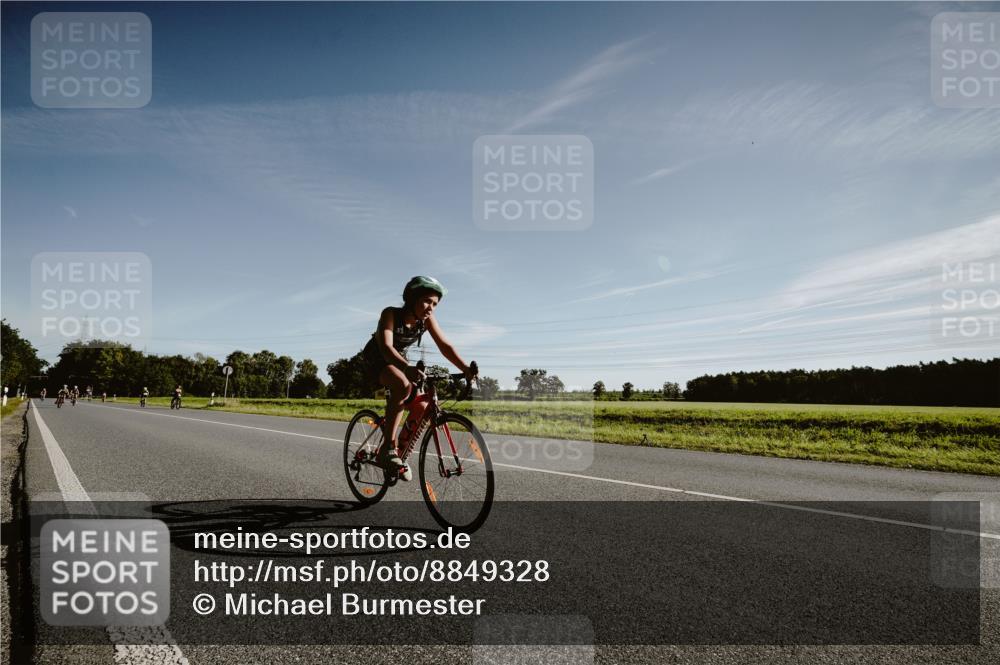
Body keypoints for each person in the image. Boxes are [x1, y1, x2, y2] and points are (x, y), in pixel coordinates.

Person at [358, 276, 476, 480]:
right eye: (426, 301)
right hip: (376, 361)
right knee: (402, 385)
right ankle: (388, 449)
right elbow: (386, 348)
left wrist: (465, 368)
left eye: (435, 304)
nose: (431, 307)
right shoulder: (391, 314)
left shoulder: (426, 321)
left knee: (421, 405)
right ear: (411, 299)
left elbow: (445, 346)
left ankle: (399, 458)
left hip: (399, 361)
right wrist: (406, 368)